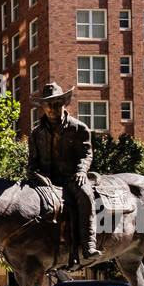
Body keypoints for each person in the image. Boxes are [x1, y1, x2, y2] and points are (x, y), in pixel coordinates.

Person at [27, 82, 99, 264]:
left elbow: (86, 153)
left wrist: (82, 171)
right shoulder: (36, 133)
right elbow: (33, 160)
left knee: (85, 196)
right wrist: (32, 172)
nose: (52, 108)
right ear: (43, 107)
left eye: (57, 103)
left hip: (72, 178)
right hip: (45, 180)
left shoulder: (78, 128)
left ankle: (89, 244)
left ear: (63, 104)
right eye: (49, 104)